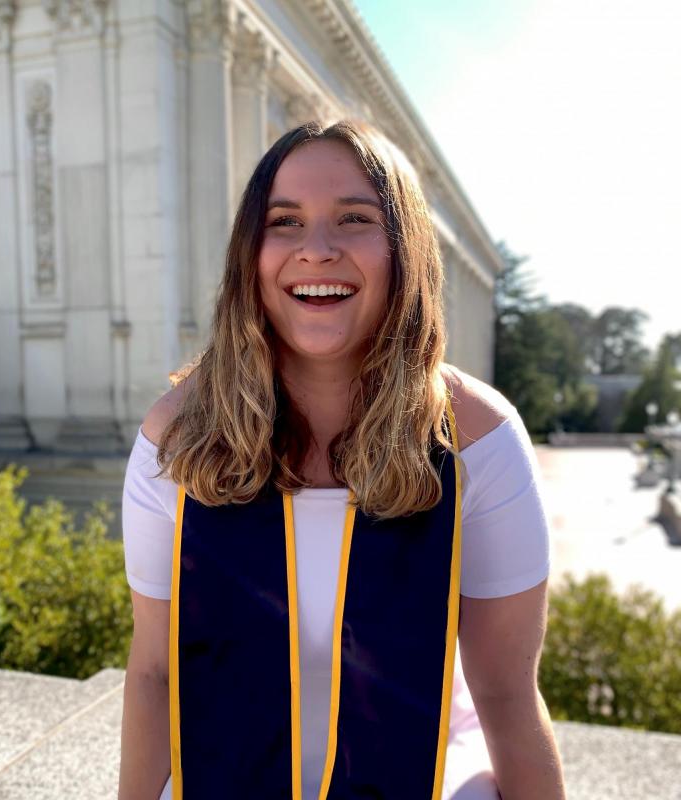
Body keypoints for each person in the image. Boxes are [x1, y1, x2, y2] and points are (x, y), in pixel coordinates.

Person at [118, 120, 566, 800]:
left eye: (354, 218)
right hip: (226, 770)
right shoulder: (177, 438)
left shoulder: (479, 440)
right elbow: (154, 673)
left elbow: (506, 692)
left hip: (421, 773)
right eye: (285, 221)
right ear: (252, 254)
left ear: (403, 250)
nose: (316, 250)